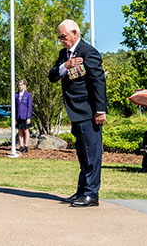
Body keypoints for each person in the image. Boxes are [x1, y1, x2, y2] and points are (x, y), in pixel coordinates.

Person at [48, 19, 107, 207]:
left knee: (92, 154)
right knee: (83, 154)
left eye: (63, 36)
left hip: (89, 112)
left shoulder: (89, 52)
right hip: (74, 112)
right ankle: (82, 191)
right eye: (59, 37)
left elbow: (98, 82)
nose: (61, 40)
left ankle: (91, 194)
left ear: (75, 33)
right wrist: (66, 65)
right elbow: (52, 76)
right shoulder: (64, 55)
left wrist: (100, 110)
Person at [15, 79, 33, 153]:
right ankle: (21, 146)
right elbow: (15, 107)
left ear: (24, 85)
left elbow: (30, 106)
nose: (20, 86)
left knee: (26, 130)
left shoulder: (28, 94)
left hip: (25, 116)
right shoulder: (16, 95)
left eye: (21, 85)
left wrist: (28, 117)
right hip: (18, 116)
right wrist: (14, 118)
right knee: (20, 131)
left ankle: (26, 146)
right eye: (19, 85)